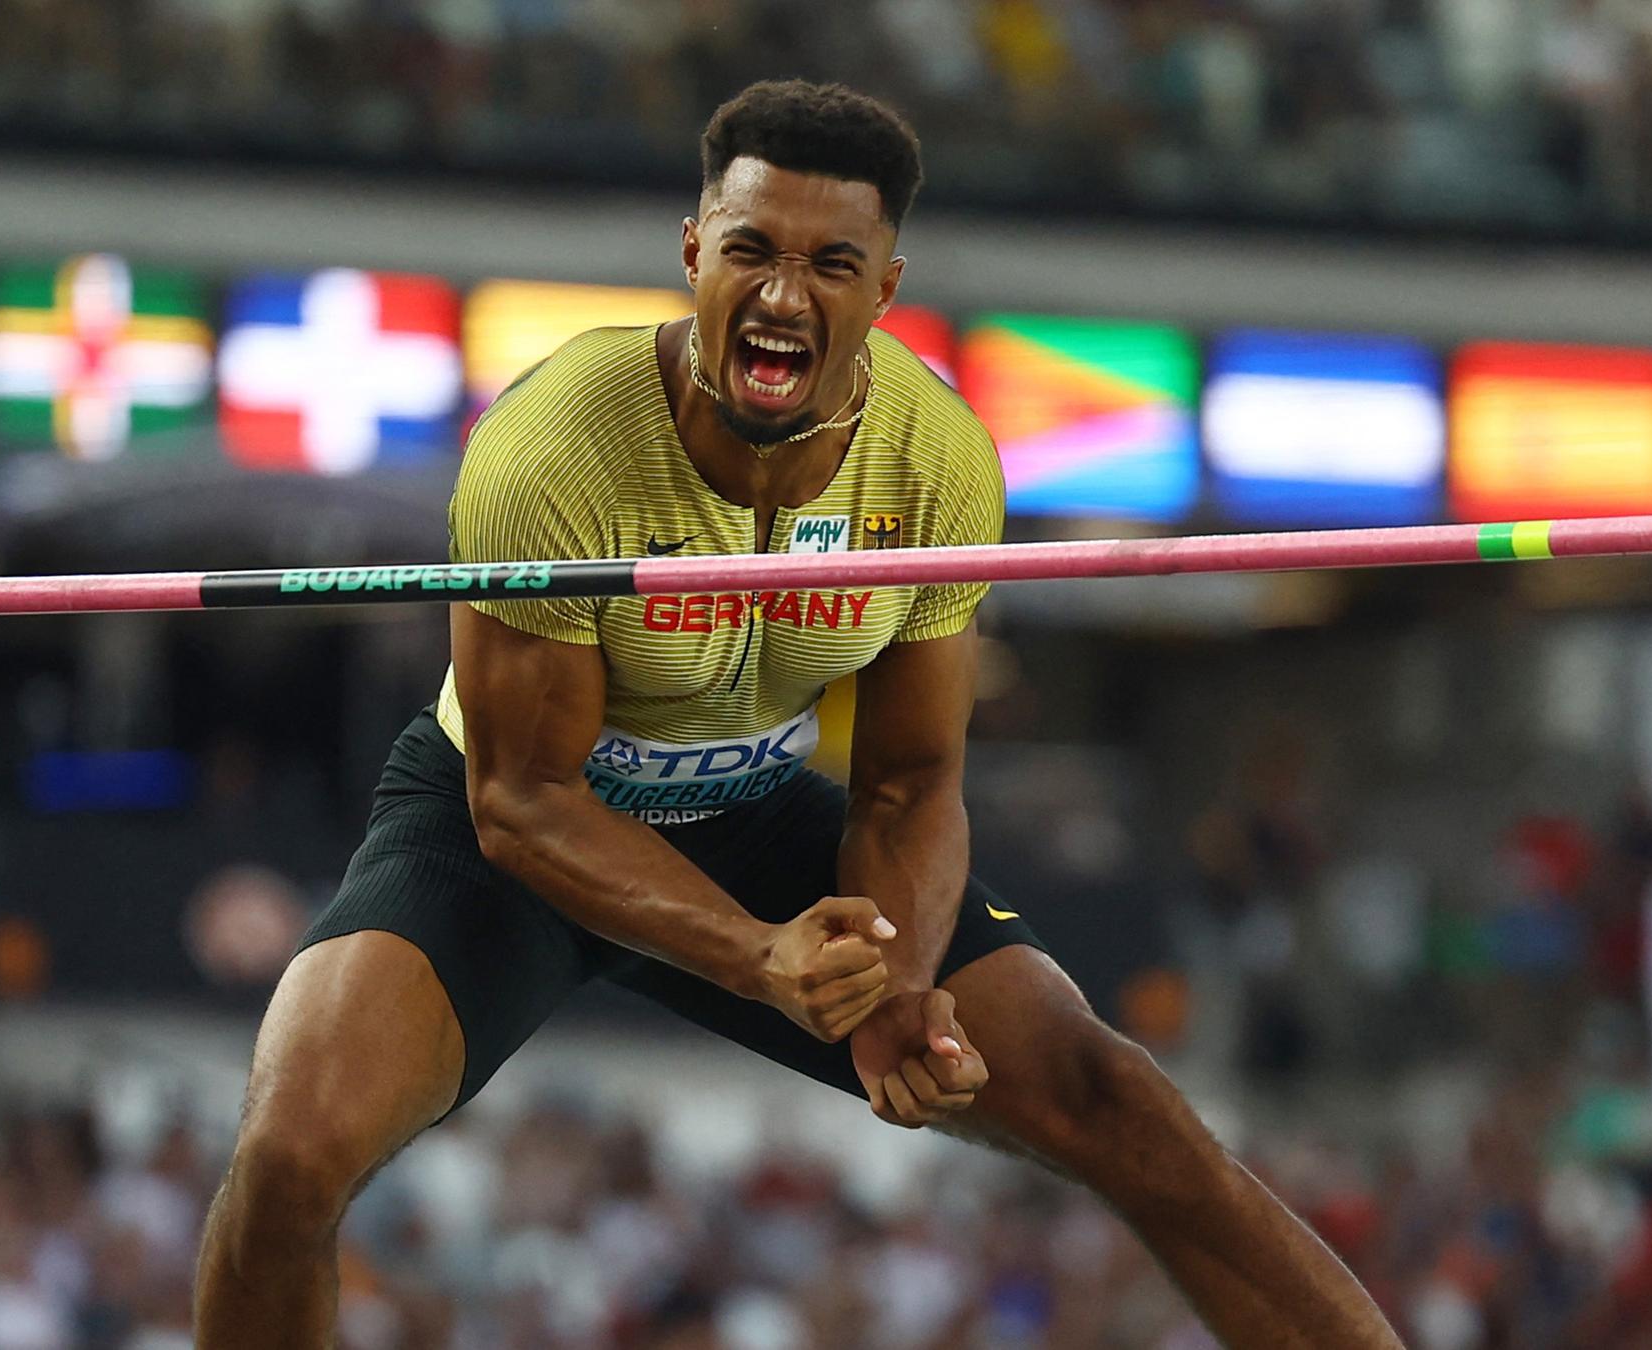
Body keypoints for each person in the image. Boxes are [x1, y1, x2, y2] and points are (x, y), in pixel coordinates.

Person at [194, 79, 1402, 1348]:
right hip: (512, 829)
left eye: (830, 263)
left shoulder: (937, 459)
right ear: (692, 255)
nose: (783, 295)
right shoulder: (552, 448)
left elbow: (911, 782)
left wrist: (898, 979)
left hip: (760, 814)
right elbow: (522, 802)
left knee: (1117, 1101)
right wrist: (761, 958)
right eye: (751, 252)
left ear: (884, 290)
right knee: (289, 1155)